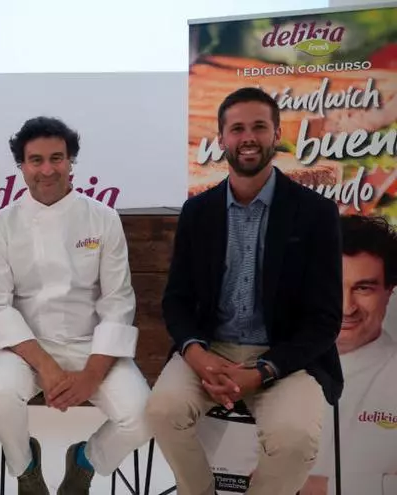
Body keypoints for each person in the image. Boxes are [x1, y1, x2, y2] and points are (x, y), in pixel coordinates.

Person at [145, 87, 343, 495]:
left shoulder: (316, 213)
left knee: (294, 440)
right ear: (221, 139)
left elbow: (324, 320)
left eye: (259, 127)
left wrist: (264, 370)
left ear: (276, 135)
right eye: (237, 129)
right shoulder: (198, 212)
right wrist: (196, 355)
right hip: (210, 351)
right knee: (162, 411)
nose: (248, 137)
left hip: (287, 358)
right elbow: (176, 299)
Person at [0, 116, 152, 495]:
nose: (47, 170)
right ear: (21, 166)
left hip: (92, 344)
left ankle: (85, 461)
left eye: (57, 158)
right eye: (35, 160)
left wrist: (92, 374)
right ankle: (26, 469)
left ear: (71, 161)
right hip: (26, 347)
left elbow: (118, 300)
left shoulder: (103, 219)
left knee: (143, 416)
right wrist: (46, 366)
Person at [300, 215, 397, 495]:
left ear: (389, 291)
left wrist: (320, 489)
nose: (346, 307)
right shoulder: (262, 366)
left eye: (363, 288)